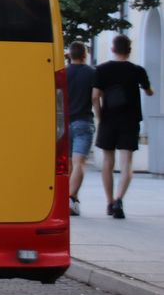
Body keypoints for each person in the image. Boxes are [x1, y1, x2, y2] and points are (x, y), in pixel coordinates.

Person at [92, 34, 155, 219]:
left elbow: (95, 97)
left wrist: (100, 116)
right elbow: (148, 91)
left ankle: (110, 201)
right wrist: (150, 90)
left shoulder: (102, 70)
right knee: (127, 161)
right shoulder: (137, 70)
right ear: (129, 50)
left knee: (107, 161)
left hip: (109, 120)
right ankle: (120, 199)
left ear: (113, 49)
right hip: (130, 120)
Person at [65, 41, 96, 216]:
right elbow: (95, 96)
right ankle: (69, 198)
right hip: (83, 121)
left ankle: (72, 200)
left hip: (65, 122)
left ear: (70, 55)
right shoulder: (92, 73)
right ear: (85, 54)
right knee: (79, 163)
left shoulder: (64, 72)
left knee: (68, 164)